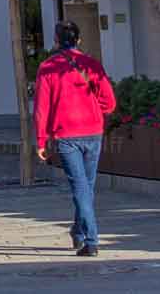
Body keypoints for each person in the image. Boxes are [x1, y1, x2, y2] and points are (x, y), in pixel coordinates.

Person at [35, 21, 116, 258]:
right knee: (86, 186)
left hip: (66, 134)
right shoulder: (91, 64)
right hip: (93, 131)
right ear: (79, 40)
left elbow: (42, 107)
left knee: (81, 187)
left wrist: (41, 140)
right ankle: (78, 232)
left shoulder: (48, 67)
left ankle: (91, 240)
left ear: (56, 41)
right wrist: (93, 108)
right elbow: (109, 102)